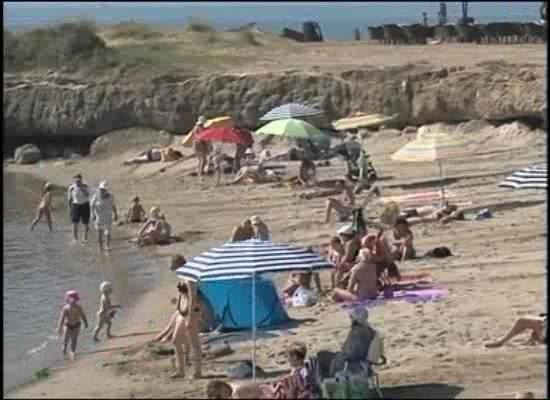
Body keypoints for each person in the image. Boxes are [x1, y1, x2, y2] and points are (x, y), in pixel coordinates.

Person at [329, 307, 376, 376]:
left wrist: (343, 355)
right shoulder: (367, 330)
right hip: (360, 362)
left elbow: (355, 353)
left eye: (352, 317)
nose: (351, 319)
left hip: (354, 365)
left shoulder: (359, 332)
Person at [171, 280, 202, 379]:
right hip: (182, 312)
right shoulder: (182, 277)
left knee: (194, 343)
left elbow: (193, 299)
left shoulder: (190, 279)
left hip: (191, 313)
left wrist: (191, 318)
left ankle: (197, 372)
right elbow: (181, 295)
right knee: (176, 340)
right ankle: (180, 371)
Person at [57, 290, 89, 361]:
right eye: (71, 301)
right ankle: (64, 354)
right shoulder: (65, 308)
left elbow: (83, 316)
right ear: (68, 300)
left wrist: (86, 323)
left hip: (76, 326)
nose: (73, 302)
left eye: (74, 301)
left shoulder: (78, 307)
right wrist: (59, 327)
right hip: (67, 326)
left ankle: (72, 353)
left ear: (77, 300)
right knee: (65, 341)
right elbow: (62, 318)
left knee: (74, 340)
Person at [90, 181, 118, 251]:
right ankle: (100, 247)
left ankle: (107, 245)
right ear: (99, 188)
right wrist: (93, 214)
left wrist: (115, 214)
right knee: (100, 232)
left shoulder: (111, 196)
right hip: (99, 216)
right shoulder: (96, 195)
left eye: (104, 189)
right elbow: (91, 205)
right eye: (101, 189)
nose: (103, 190)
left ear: (107, 190)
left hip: (108, 216)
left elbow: (113, 205)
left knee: (108, 232)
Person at [67, 173, 91, 242]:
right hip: (75, 205)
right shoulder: (71, 188)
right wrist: (69, 209)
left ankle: (85, 237)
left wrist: (82, 189)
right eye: (76, 181)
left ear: (81, 180)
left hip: (85, 204)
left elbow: (87, 195)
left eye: (79, 181)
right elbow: (69, 199)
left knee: (86, 223)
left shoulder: (85, 186)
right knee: (74, 223)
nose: (77, 182)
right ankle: (75, 238)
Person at [206, 380, 274, 399]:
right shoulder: (232, 384)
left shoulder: (237, 392)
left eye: (219, 396)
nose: (223, 394)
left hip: (272, 392)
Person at [192, 116, 211, 181]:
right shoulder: (198, 128)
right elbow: (200, 138)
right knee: (203, 161)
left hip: (199, 145)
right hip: (200, 146)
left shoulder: (197, 128)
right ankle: (200, 175)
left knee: (202, 161)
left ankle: (200, 174)